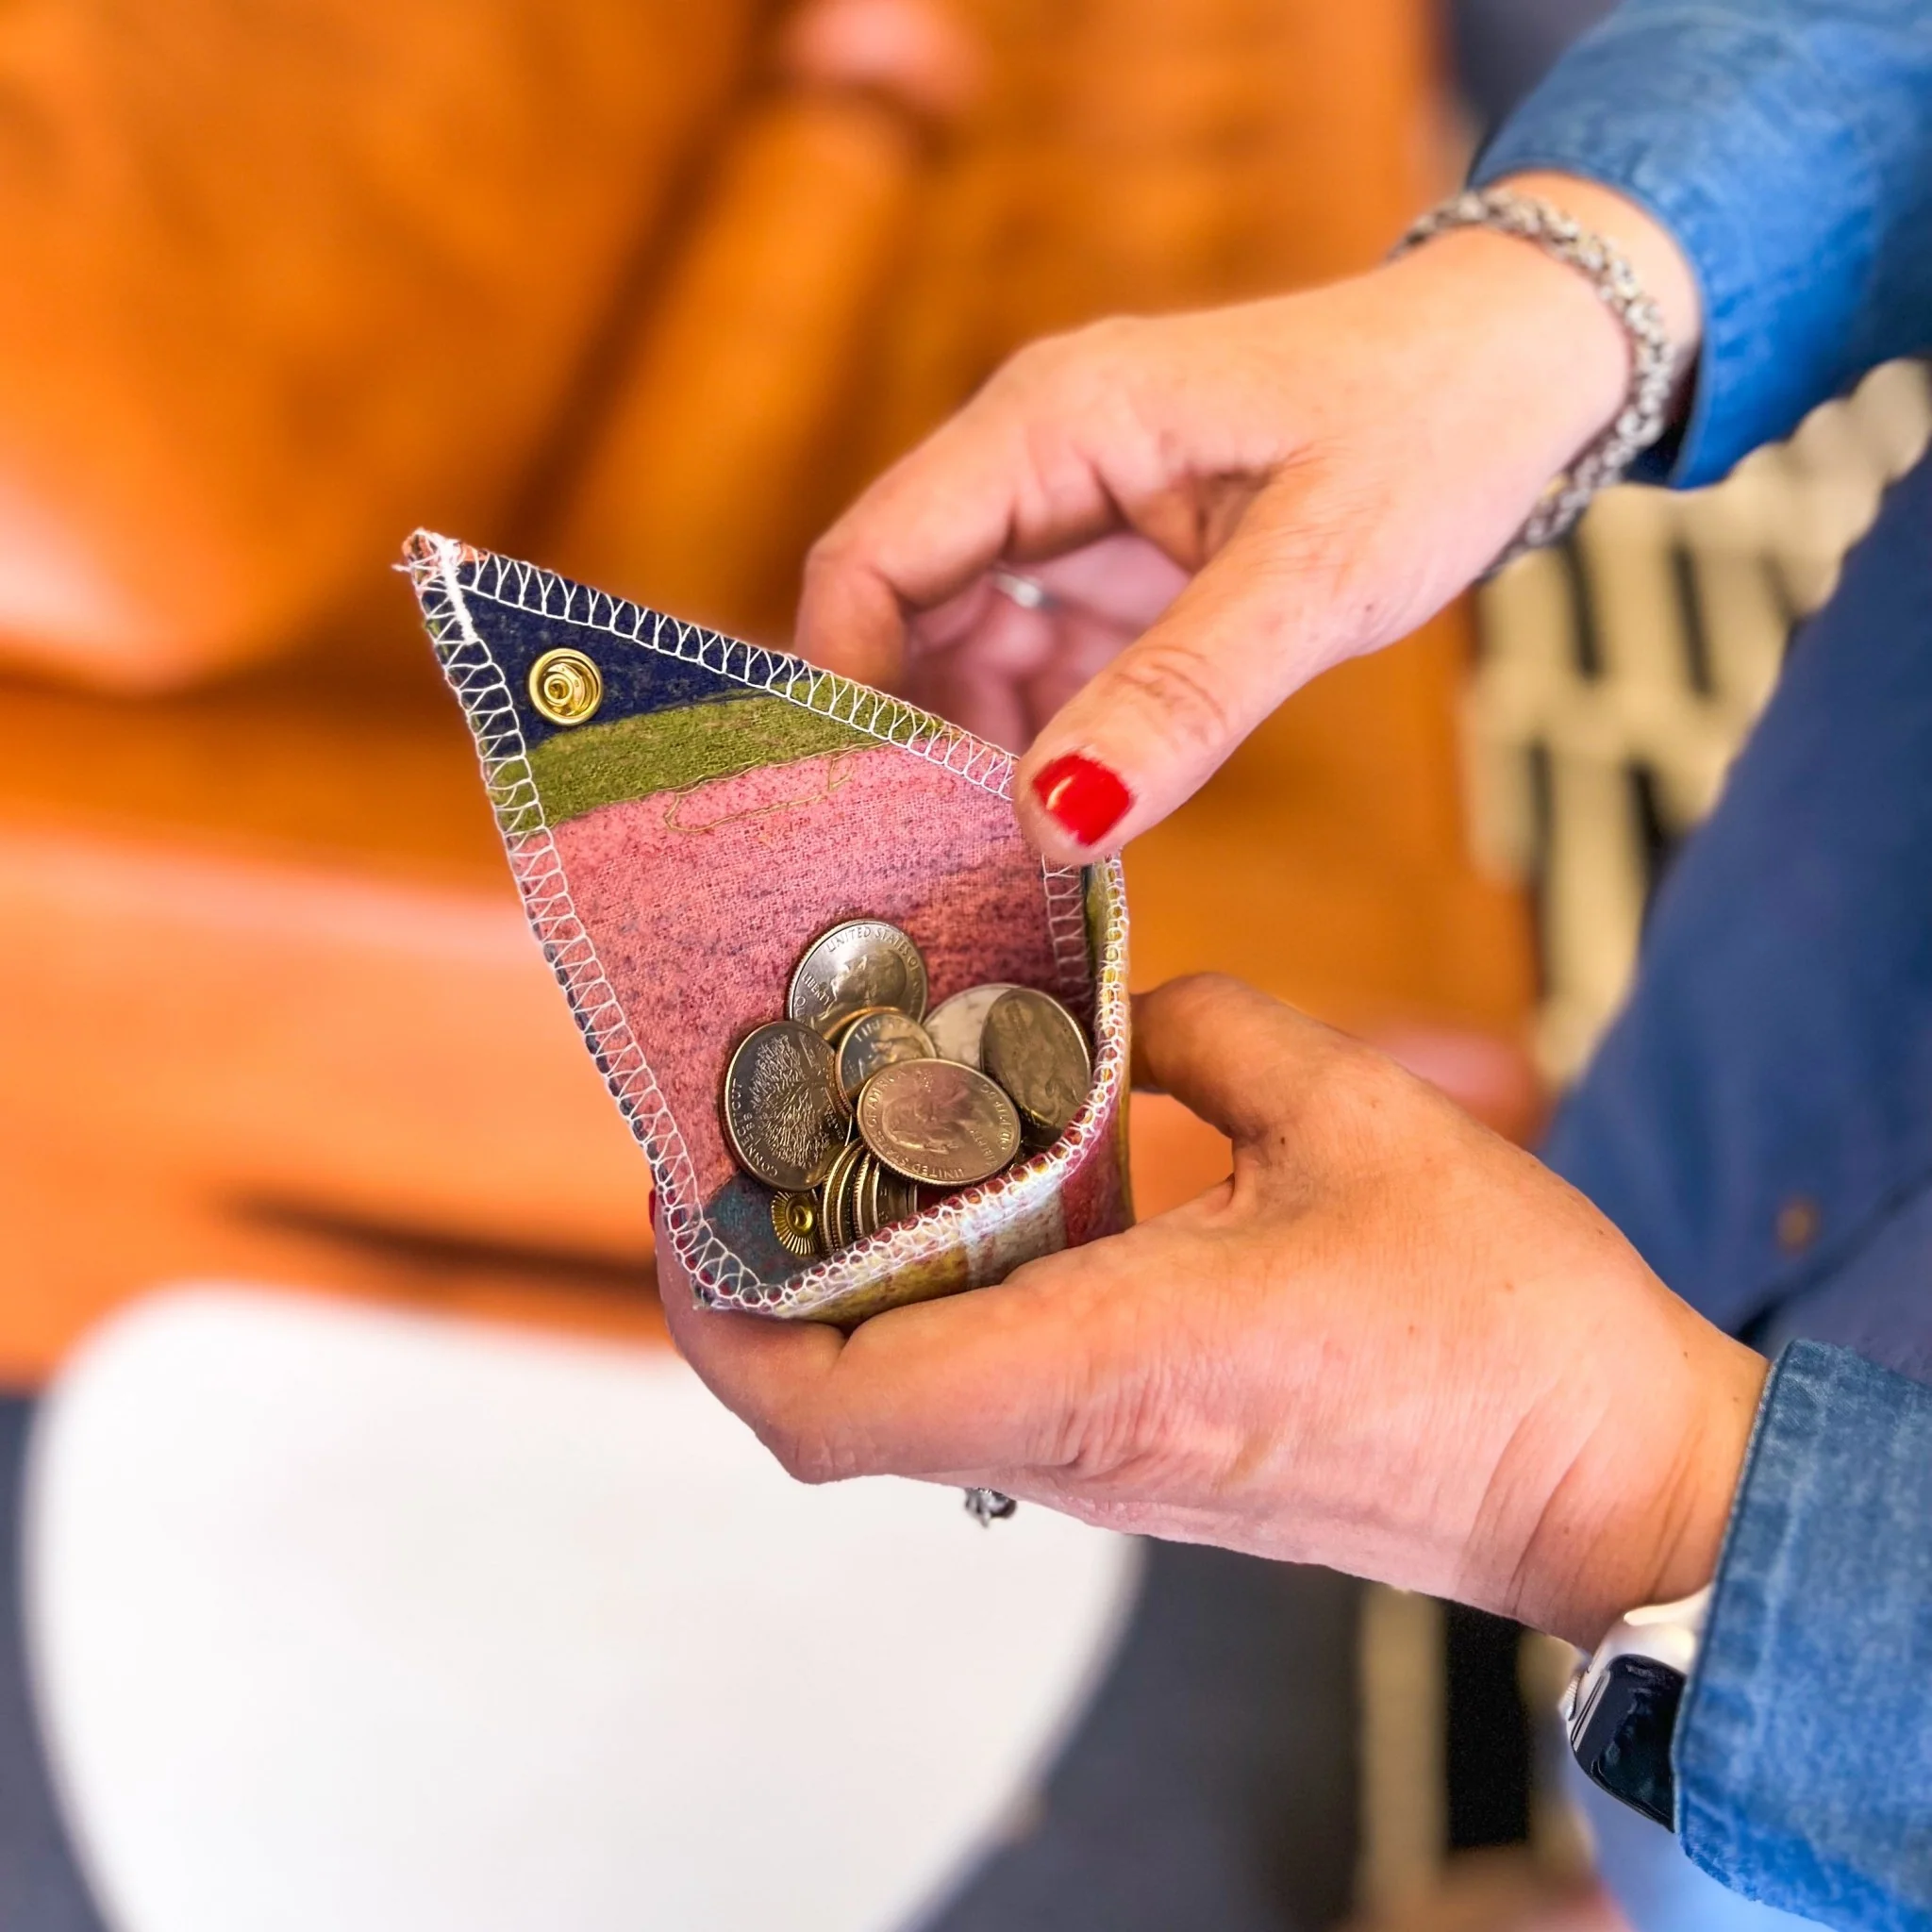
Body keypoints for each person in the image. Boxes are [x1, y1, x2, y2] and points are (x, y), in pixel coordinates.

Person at [658, 3, 1932, 1924]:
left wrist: (1641, 1502)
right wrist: (1557, 296)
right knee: (1658, 1226)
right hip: (1854, 891)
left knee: (1766, 1840)